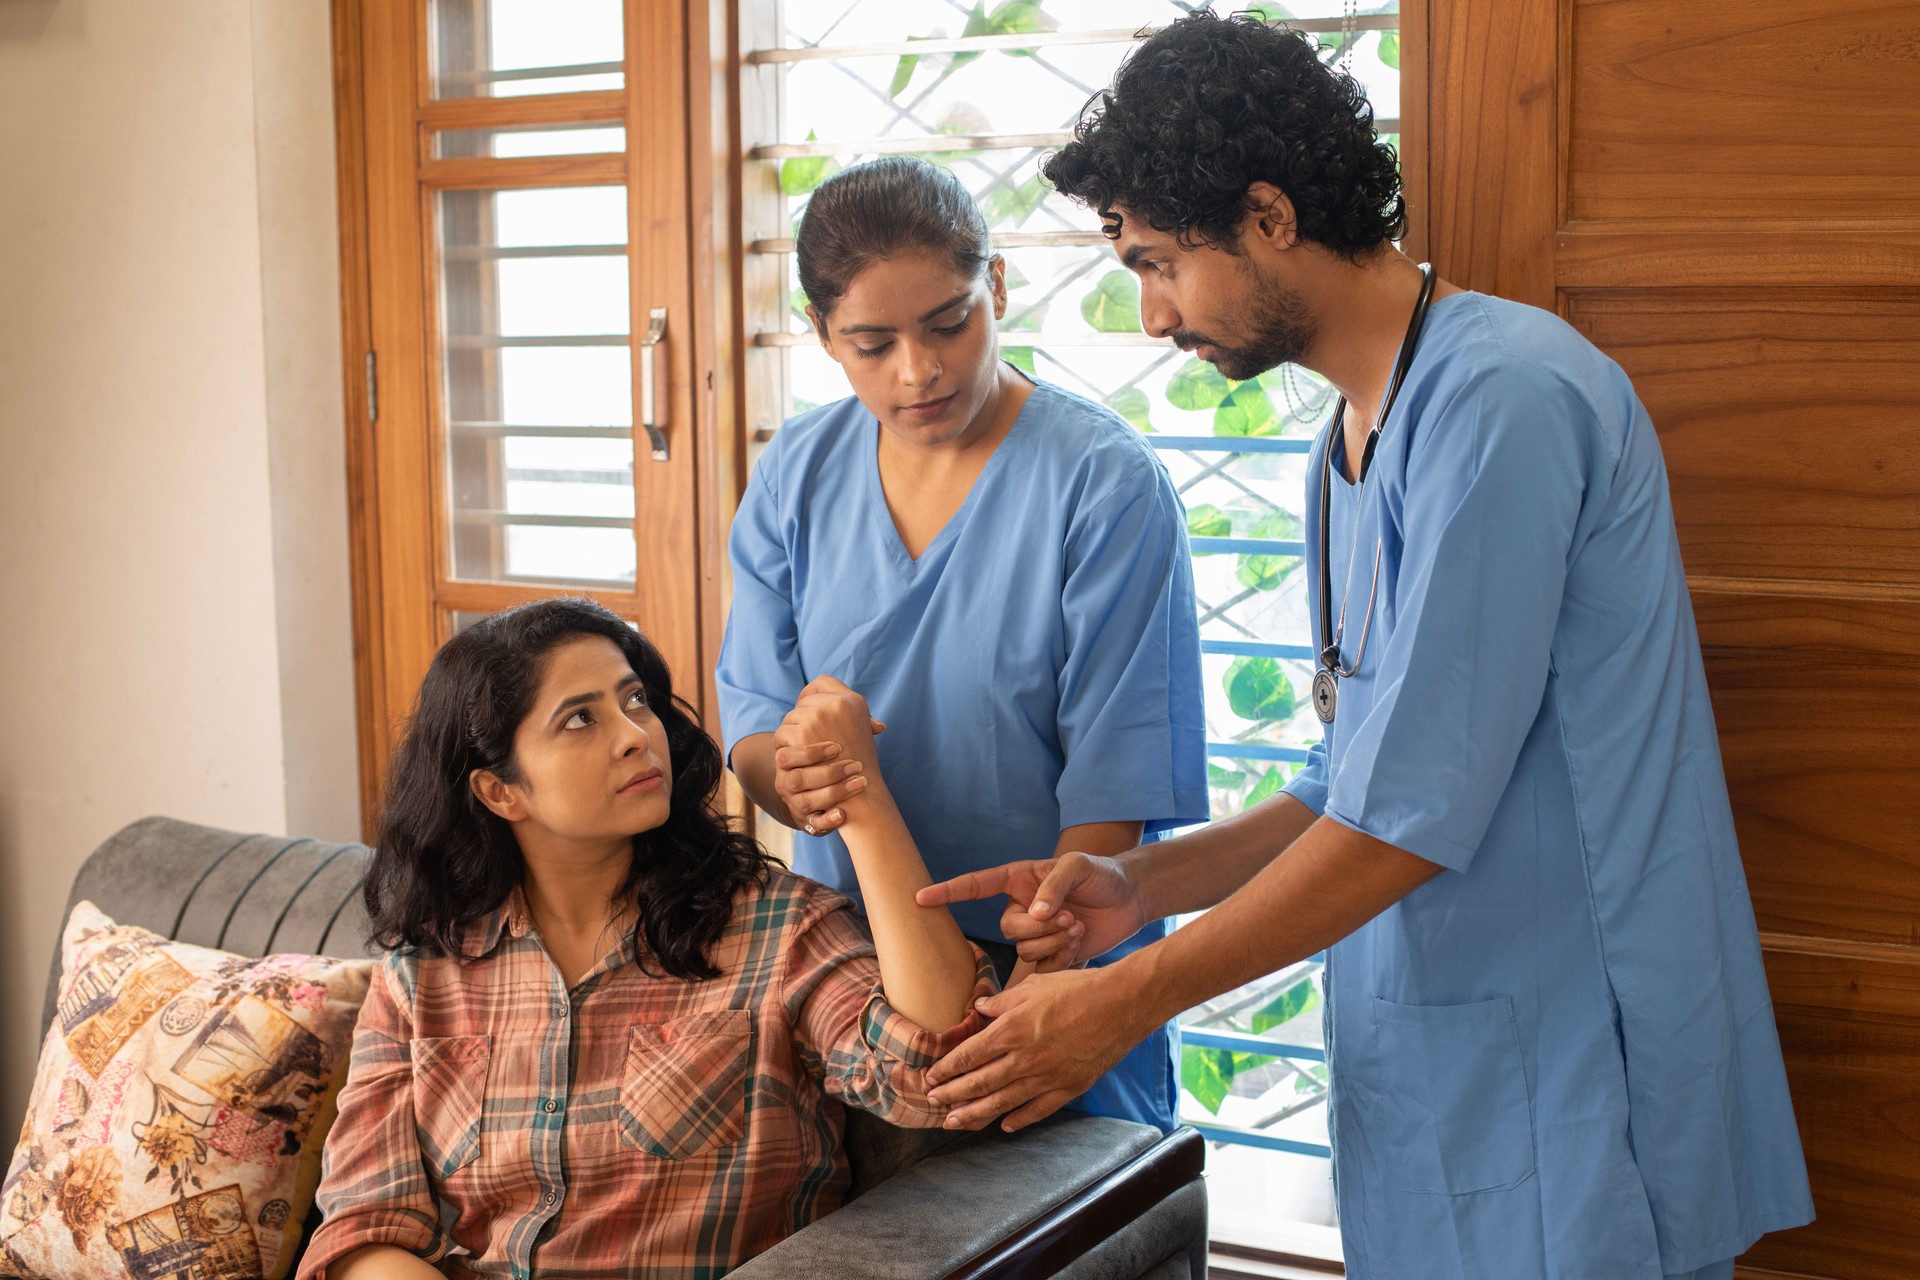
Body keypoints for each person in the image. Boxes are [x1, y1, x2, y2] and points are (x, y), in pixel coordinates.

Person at [904, 12, 1815, 1280]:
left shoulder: (1506, 400)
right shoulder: (1344, 446)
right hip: (1435, 1065)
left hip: (1569, 1066)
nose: (1154, 316)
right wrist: (1144, 893)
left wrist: (1121, 1002)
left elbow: (1406, 819)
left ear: (1270, 214)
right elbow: (1358, 779)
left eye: (1161, 261)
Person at [715, 156, 1207, 1130]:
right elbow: (754, 731)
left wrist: (1029, 993)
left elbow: (1116, 792)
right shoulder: (797, 477)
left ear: (998, 288)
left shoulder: (1104, 487)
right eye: (873, 342)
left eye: (950, 322)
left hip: (1062, 968)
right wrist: (813, 776)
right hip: (860, 988)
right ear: (823, 337)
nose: (920, 368)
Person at [296, 598, 992, 1280]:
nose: (635, 733)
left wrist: (857, 797)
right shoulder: (423, 973)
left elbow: (938, 1069)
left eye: (634, 701)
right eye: (579, 719)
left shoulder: (777, 928)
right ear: (500, 791)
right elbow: (364, 1229)